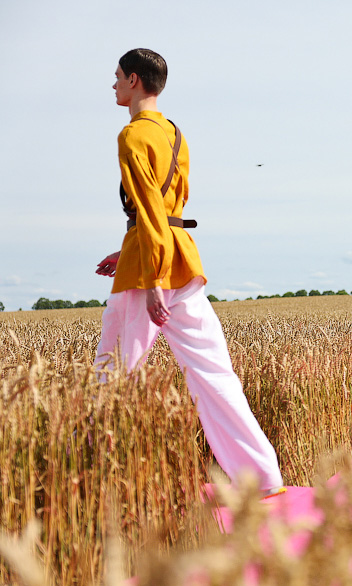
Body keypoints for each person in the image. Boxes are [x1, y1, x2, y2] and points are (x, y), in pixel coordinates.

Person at [94, 49, 284, 496]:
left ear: (135, 80)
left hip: (152, 273)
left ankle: (92, 480)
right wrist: (130, 251)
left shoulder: (132, 136)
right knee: (215, 375)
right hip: (183, 260)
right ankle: (262, 478)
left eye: (118, 77)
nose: (114, 85)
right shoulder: (175, 133)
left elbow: (149, 209)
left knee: (112, 375)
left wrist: (152, 275)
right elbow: (165, 212)